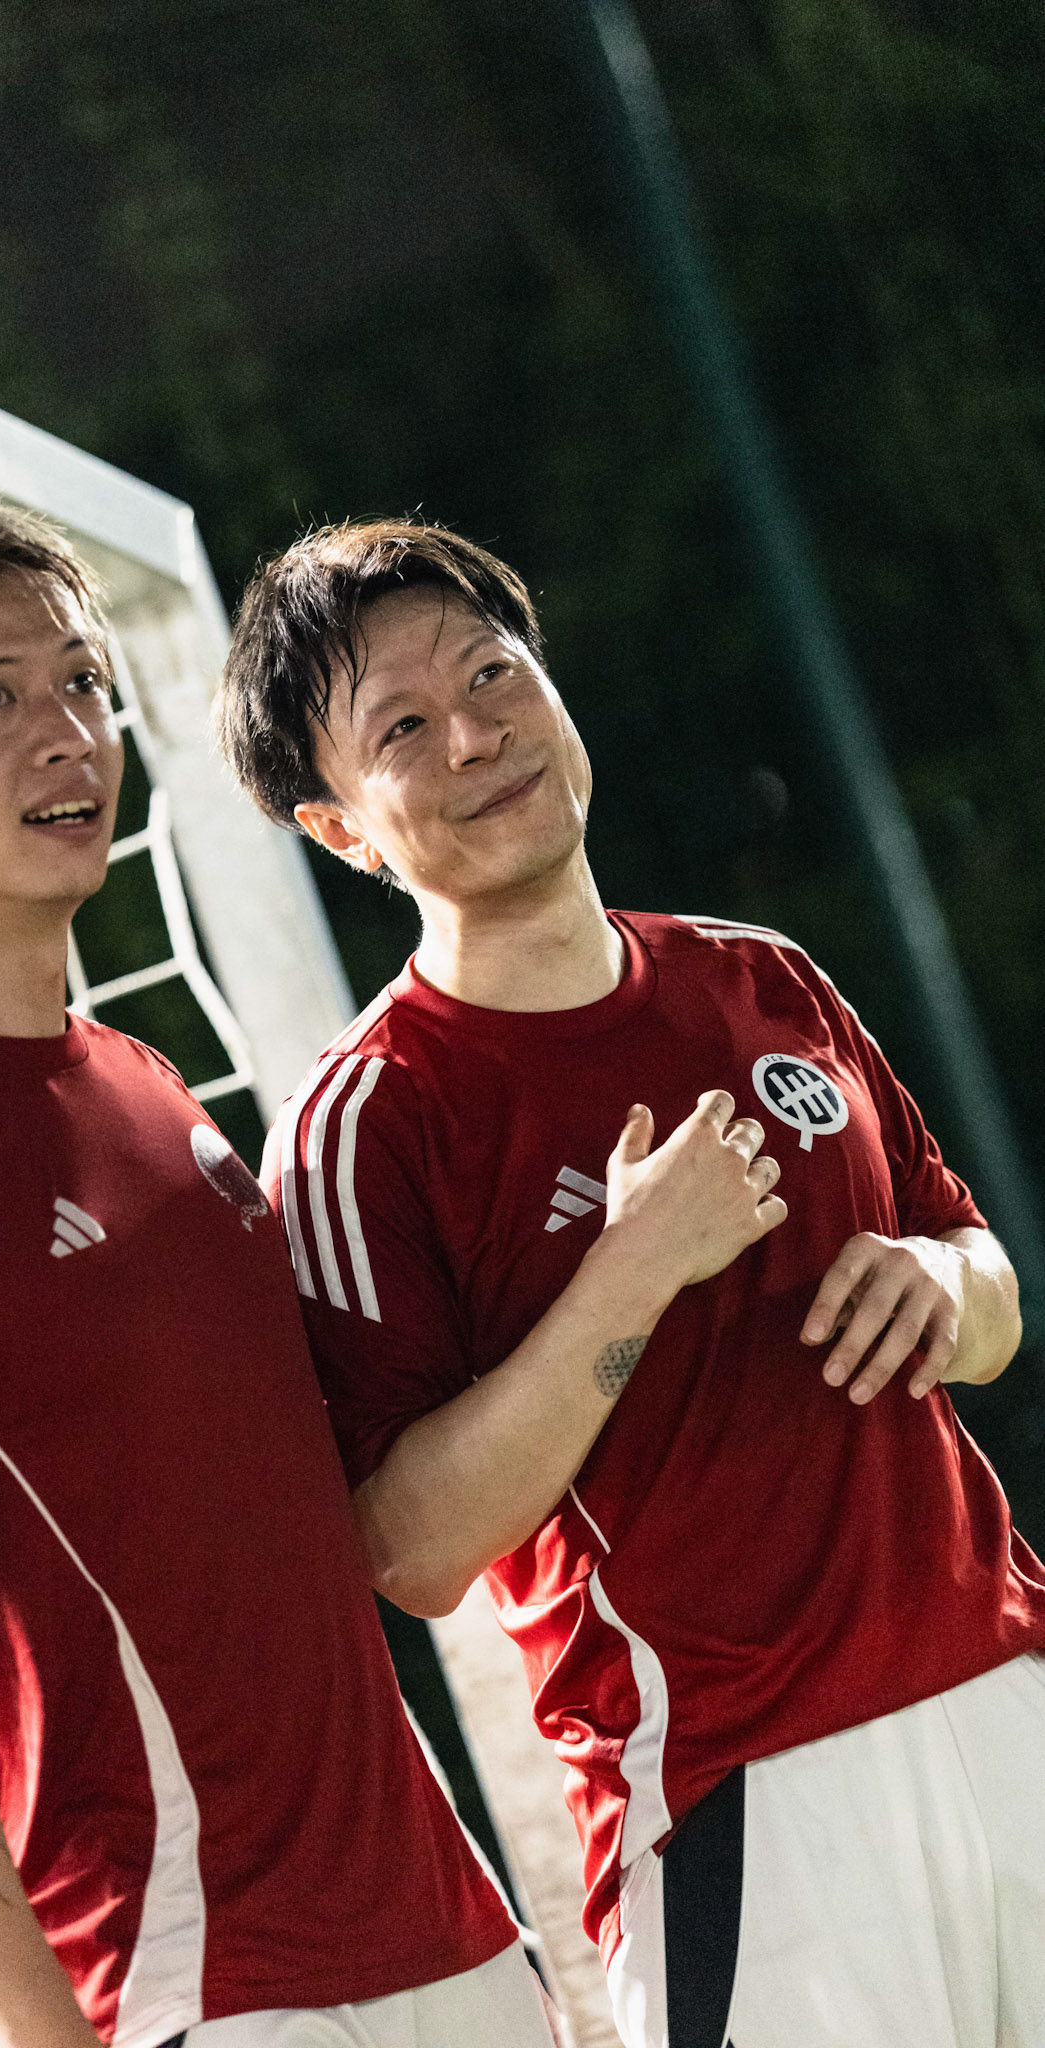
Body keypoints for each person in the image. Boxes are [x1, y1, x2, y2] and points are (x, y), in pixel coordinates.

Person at [0, 484, 579, 2048]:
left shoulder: (157, 1099)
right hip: (189, 1991)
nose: (69, 734)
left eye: (83, 685)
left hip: (449, 1949)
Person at [215, 516, 1045, 2048]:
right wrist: (627, 1276)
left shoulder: (762, 976)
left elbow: (990, 1286)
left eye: (492, 671)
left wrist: (940, 1279)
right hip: (751, 1811)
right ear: (340, 830)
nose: (475, 733)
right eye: (402, 727)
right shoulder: (361, 1127)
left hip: (1009, 1692)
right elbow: (405, 1550)